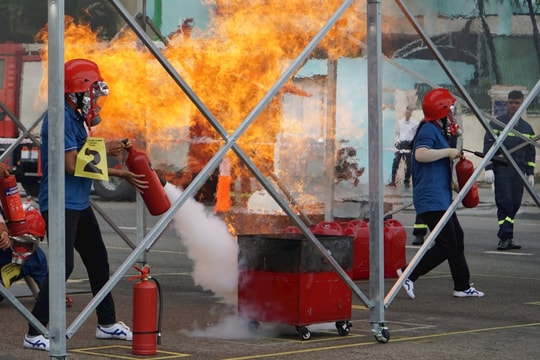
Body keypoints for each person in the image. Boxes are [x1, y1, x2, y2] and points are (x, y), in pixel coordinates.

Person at [24, 58, 148, 352]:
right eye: (93, 92)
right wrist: (114, 161)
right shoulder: (61, 117)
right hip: (60, 202)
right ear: (77, 91)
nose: (96, 100)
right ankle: (34, 331)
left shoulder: (74, 116)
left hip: (78, 201)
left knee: (98, 261)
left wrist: (114, 158)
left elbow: (83, 157)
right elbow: (70, 164)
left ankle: (107, 324)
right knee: (63, 266)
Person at [397, 88, 484, 299]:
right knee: (447, 244)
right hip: (431, 199)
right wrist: (449, 152)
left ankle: (462, 286)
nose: (452, 115)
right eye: (450, 110)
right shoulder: (428, 129)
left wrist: (458, 187)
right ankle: (408, 274)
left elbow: (439, 170)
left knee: (457, 239)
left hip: (441, 198)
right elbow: (420, 155)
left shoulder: (438, 130)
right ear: (441, 110)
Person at [483, 90, 536, 251]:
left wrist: (530, 172)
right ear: (507, 103)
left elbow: (530, 152)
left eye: (517, 103)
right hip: (502, 169)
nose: (514, 106)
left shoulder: (527, 128)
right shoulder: (497, 123)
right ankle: (505, 237)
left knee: (515, 204)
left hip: (519, 171)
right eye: (511, 102)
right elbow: (489, 147)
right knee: (505, 202)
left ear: (522, 104)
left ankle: (508, 235)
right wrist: (489, 168)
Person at [388, 105, 418, 187]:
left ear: (411, 113)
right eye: (406, 112)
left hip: (409, 144)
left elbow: (415, 135)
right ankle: (393, 180)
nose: (407, 114)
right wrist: (397, 141)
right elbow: (397, 133)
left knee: (409, 164)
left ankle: (406, 180)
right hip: (401, 143)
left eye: (409, 112)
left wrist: (412, 144)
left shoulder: (415, 124)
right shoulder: (400, 122)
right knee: (396, 161)